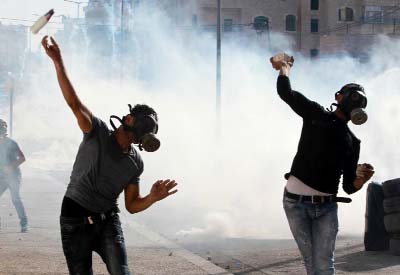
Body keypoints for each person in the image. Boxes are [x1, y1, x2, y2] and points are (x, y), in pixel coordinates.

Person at [42, 35, 178, 275]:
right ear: (128, 119)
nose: (145, 130)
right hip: (75, 218)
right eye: (143, 123)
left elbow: (132, 206)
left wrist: (152, 197)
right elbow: (74, 104)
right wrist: (58, 61)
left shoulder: (135, 163)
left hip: (108, 221)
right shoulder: (97, 132)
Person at [272, 57, 374, 275]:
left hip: (326, 208)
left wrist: (362, 180)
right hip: (295, 204)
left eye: (360, 101)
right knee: (312, 263)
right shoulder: (316, 114)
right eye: (352, 96)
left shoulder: (352, 142)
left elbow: (348, 186)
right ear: (338, 97)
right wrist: (284, 68)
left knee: (324, 266)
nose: (356, 102)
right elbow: (286, 93)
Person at [0, 118, 27, 232]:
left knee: (15, 198)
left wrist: (10, 167)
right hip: (2, 177)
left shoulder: (11, 143)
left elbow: (22, 158)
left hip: (14, 176)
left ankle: (24, 223)